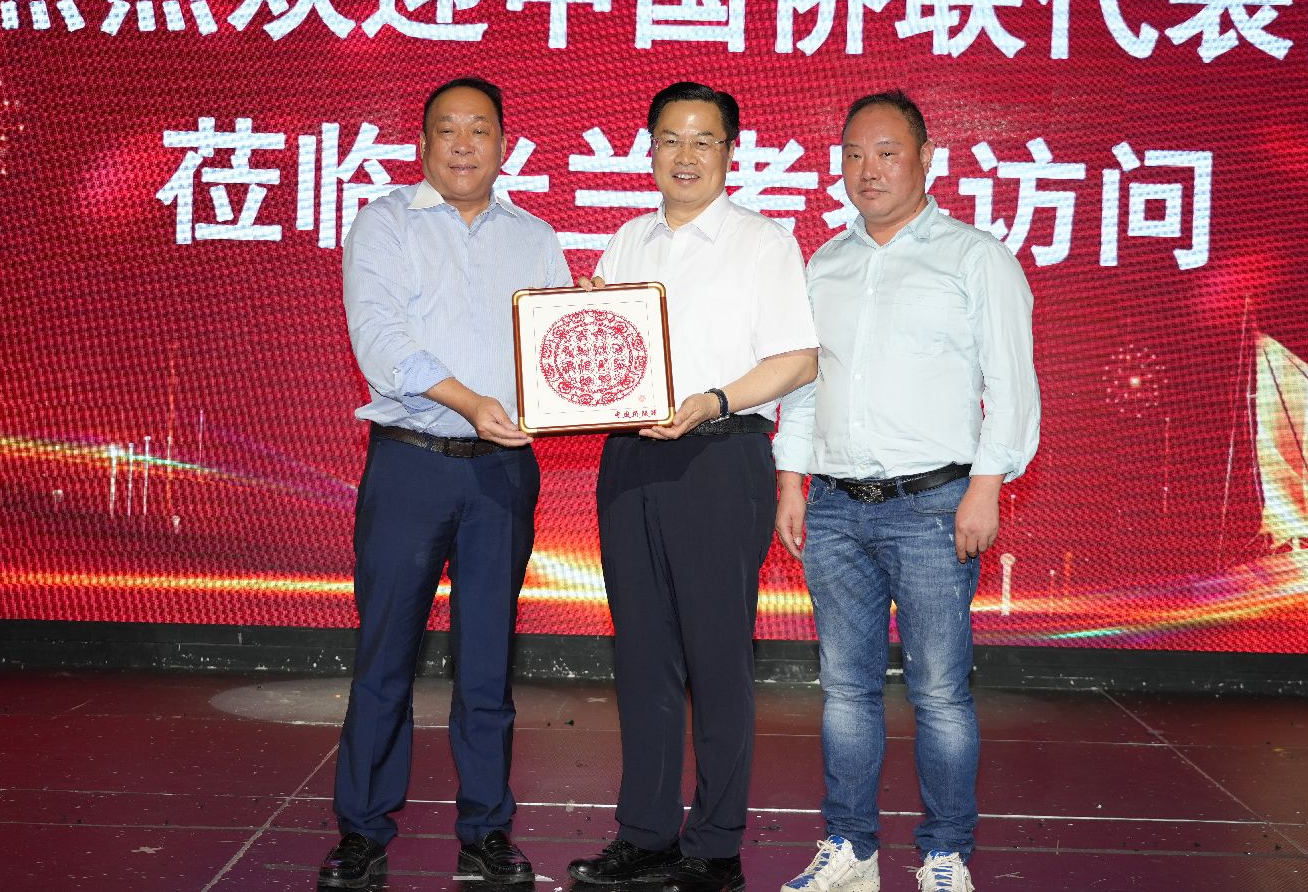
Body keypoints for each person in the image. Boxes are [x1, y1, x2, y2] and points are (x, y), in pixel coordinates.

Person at [772, 90, 1040, 892]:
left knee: (939, 692)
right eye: (854, 154)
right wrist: (791, 479)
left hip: (934, 506)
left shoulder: (975, 257)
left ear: (926, 159)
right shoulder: (826, 263)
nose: (869, 169)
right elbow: (806, 387)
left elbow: (1011, 385)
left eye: (887, 152)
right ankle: (850, 849)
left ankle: (945, 853)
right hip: (834, 507)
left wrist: (986, 485)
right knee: (844, 691)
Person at [566, 82, 819, 892]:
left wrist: (712, 400)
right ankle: (645, 834)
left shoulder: (762, 243)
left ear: (729, 153)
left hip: (719, 457)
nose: (685, 155)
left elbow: (798, 360)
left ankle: (714, 845)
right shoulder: (626, 242)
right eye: (670, 139)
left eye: (703, 140)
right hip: (630, 460)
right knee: (642, 656)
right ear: (649, 150)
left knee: (716, 659)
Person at [320, 77, 570, 888]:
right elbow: (381, 342)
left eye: (480, 129)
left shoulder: (535, 237)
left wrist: (591, 337)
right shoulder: (385, 223)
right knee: (384, 657)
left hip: (502, 475)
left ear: (504, 144)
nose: (464, 144)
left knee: (489, 661)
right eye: (447, 129)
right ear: (422, 143)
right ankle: (362, 831)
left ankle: (487, 831)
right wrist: (470, 401)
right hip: (410, 466)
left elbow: (554, 347)